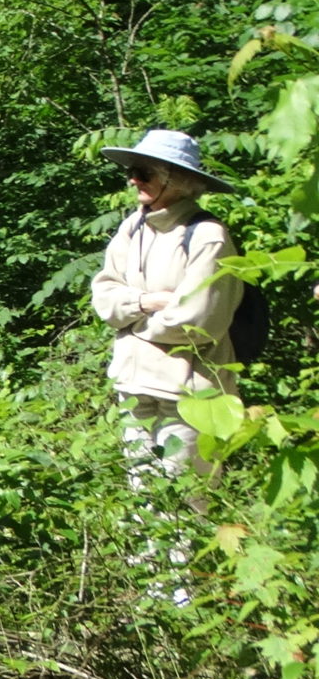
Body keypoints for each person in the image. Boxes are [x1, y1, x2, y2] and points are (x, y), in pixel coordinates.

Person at [91, 129, 243, 484]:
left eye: (144, 173)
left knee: (187, 503)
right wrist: (146, 302)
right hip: (132, 385)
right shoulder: (133, 227)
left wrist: (130, 323)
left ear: (178, 180)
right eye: (132, 171)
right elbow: (103, 297)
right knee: (143, 505)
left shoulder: (208, 236)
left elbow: (196, 321)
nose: (133, 180)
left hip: (188, 394)